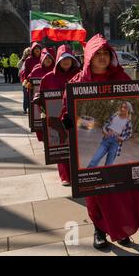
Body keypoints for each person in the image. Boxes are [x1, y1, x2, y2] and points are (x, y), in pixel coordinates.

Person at [62, 34, 139, 249]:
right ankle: (99, 230)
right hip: (94, 143)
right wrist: (68, 120)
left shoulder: (122, 79)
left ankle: (122, 229)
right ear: (89, 56)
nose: (102, 57)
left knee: (122, 189)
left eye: (105, 53)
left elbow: (134, 111)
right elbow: (71, 113)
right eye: (97, 53)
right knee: (96, 190)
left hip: (120, 147)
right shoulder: (77, 83)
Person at [39, 45, 81, 186]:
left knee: (78, 146)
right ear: (58, 60)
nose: (66, 61)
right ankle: (65, 176)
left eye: (69, 58)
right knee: (61, 145)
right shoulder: (48, 78)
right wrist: (40, 102)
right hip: (57, 118)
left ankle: (78, 174)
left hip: (77, 117)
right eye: (63, 58)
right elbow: (43, 99)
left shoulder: (80, 75)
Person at [87, 101, 134, 168]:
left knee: (108, 166)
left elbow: (129, 134)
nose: (122, 109)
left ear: (128, 110)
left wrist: (122, 138)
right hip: (106, 140)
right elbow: (106, 124)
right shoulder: (115, 116)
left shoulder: (128, 122)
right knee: (93, 162)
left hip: (115, 143)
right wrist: (104, 131)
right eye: (121, 107)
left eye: (125, 107)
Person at [27, 48, 56, 141]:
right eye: (46, 58)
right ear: (42, 58)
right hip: (40, 102)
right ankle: (44, 141)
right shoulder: (36, 70)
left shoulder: (56, 70)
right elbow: (28, 81)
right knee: (41, 120)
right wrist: (29, 86)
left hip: (54, 101)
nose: (48, 60)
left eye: (50, 58)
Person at [22, 43, 42, 114]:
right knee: (28, 96)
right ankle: (26, 108)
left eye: (38, 48)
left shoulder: (43, 58)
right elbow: (25, 71)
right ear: (32, 50)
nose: (37, 50)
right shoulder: (29, 59)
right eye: (35, 49)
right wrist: (26, 81)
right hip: (31, 81)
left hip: (41, 81)